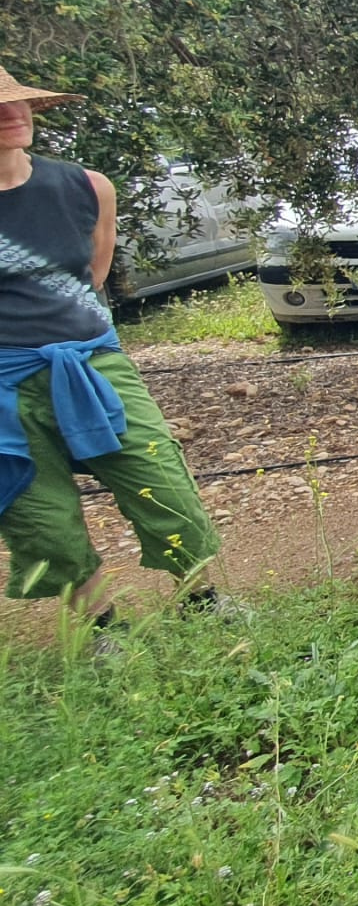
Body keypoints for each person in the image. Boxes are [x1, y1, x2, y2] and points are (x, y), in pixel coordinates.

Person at [0, 66, 236, 645]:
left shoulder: (86, 186)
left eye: (19, 103)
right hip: (5, 379)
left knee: (158, 474)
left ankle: (203, 600)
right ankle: (102, 627)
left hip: (91, 361)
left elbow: (94, 276)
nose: (14, 113)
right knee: (41, 514)